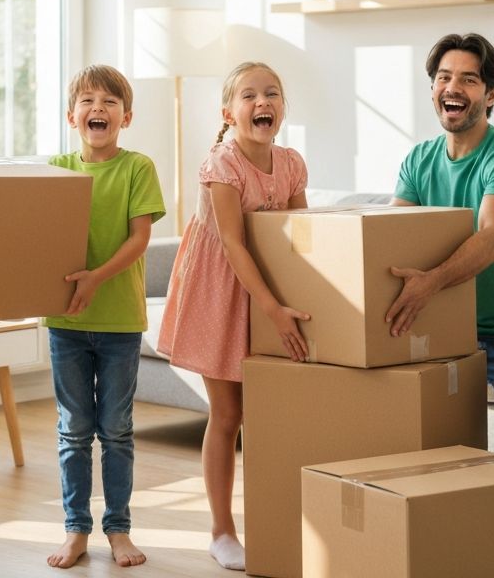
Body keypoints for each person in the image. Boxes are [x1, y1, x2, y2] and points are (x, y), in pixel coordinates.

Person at [158, 62, 310, 571]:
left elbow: (302, 240)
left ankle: (277, 521)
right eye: (249, 95)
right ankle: (222, 531)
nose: (262, 101)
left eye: (272, 93)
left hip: (269, 288)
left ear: (283, 109)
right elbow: (231, 244)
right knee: (227, 414)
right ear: (229, 113)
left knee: (270, 417)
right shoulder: (221, 164)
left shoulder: (290, 164)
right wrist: (272, 309)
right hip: (220, 290)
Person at [385, 32, 494, 458]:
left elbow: (492, 240)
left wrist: (430, 282)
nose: (452, 88)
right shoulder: (418, 160)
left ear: (491, 93)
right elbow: (390, 236)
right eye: (443, 77)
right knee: (441, 460)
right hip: (446, 332)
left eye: (468, 79)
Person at [44, 65, 166, 570]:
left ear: (127, 116)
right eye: (88, 100)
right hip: (65, 324)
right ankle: (76, 529)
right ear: (71, 115)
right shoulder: (55, 168)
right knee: (73, 430)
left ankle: (119, 529)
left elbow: (140, 239)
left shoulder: (138, 168)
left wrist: (95, 276)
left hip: (119, 322)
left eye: (110, 102)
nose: (99, 109)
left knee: (115, 429)